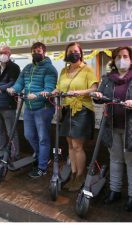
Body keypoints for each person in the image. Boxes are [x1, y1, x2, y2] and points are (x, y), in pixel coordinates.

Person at [51, 42, 98, 191]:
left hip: (82, 110)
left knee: (78, 145)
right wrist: (54, 91)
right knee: (70, 144)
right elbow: (60, 87)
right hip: (67, 109)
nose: (73, 53)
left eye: (76, 51)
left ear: (81, 53)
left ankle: (80, 176)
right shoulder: (64, 71)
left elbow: (94, 88)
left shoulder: (87, 69)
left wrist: (80, 92)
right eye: (70, 51)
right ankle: (72, 173)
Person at [7, 42, 58, 178]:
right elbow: (20, 82)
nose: (36, 53)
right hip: (29, 107)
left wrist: (37, 95)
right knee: (28, 135)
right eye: (34, 51)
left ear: (44, 52)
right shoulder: (28, 68)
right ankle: (43, 155)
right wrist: (14, 89)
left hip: (43, 108)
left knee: (43, 139)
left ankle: (42, 166)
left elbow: (49, 88)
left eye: (39, 50)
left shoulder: (50, 69)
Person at [92, 46, 132, 211]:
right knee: (115, 160)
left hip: (130, 128)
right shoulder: (107, 78)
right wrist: (98, 96)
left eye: (125, 56)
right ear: (114, 60)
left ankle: (131, 195)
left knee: (131, 162)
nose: (121, 59)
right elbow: (99, 98)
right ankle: (114, 191)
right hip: (111, 126)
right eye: (118, 57)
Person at [0, 45, 20, 160]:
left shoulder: (14, 67)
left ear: (10, 54)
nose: (3, 54)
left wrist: (0, 89)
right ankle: (2, 151)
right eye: (1, 52)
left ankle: (15, 154)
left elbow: (13, 83)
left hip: (8, 105)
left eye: (6, 52)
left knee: (11, 131)